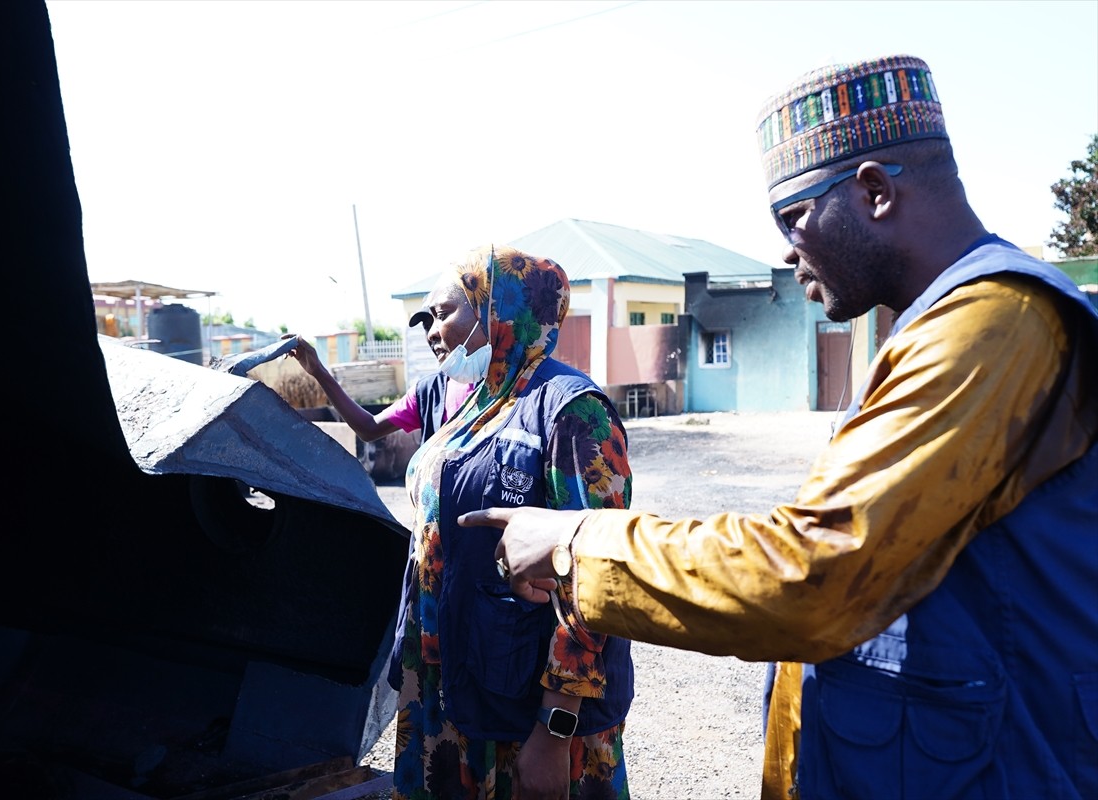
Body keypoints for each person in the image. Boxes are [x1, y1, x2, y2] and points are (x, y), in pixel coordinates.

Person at [461, 54, 1098, 800]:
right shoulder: (945, 326)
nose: (790, 252)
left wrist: (576, 542)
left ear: (874, 192)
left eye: (793, 219)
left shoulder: (993, 325)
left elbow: (813, 571)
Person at [389, 245, 635, 800]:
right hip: (452, 682)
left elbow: (595, 576)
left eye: (447, 311)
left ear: (499, 310)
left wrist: (555, 730)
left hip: (522, 706)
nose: (433, 329)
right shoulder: (480, 402)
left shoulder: (574, 410)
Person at [284, 300, 476, 444]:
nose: (432, 334)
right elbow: (368, 428)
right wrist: (318, 371)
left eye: (441, 319)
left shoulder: (499, 384)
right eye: (426, 325)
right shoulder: (428, 392)